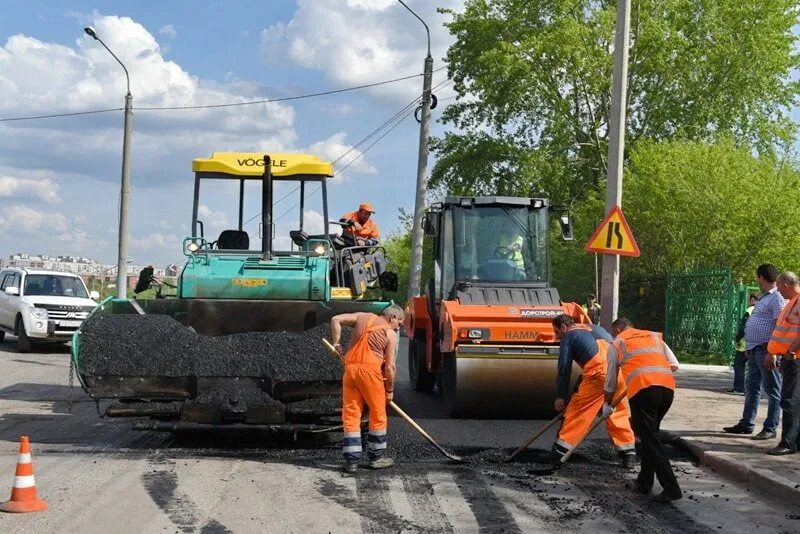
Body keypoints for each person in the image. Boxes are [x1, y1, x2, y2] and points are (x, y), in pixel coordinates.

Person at [604, 317, 681, 502]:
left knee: (651, 440)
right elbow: (674, 365)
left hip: (643, 391)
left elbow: (610, 380)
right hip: (666, 390)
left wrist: (607, 404)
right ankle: (644, 482)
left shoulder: (617, 343)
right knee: (649, 436)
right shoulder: (653, 336)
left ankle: (671, 488)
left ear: (617, 330)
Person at [551, 314, 636, 468]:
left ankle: (560, 452)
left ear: (564, 327)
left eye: (557, 332)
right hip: (620, 375)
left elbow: (564, 369)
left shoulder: (569, 337)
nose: (557, 337)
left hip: (598, 377)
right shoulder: (597, 328)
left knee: (578, 412)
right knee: (617, 412)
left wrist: (561, 396)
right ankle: (628, 453)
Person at [330, 305, 404, 473]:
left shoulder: (363, 316)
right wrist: (390, 390)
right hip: (370, 373)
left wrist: (336, 344)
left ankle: (352, 462)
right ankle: (376, 457)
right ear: (392, 317)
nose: (398, 327)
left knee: (351, 414)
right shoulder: (390, 334)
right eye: (399, 322)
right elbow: (390, 367)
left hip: (350, 371)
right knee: (378, 414)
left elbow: (335, 319)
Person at [723, 264, 785, 440]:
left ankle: (770, 427)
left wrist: (772, 351)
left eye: (757, 278)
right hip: (755, 349)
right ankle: (746, 423)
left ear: (761, 278)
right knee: (752, 389)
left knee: (773, 390)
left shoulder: (777, 297)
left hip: (767, 350)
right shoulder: (764, 297)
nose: (757, 281)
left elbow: (779, 326)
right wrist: (750, 346)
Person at [765, 272, 800, 455]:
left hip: (794, 359)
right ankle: (794, 441)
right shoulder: (792, 302)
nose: (779, 291)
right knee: (794, 400)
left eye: (779, 288)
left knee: (790, 401)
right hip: (789, 357)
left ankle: (788, 443)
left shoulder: (798, 301)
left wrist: (791, 351)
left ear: (785, 285)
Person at [727, 293, 757, 394]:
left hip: (744, 344)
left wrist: (738, 337)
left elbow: (744, 326)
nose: (749, 302)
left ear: (753, 300)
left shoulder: (750, 310)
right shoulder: (761, 311)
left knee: (738, 365)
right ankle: (753, 390)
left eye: (750, 299)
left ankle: (739, 388)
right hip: (755, 343)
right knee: (754, 368)